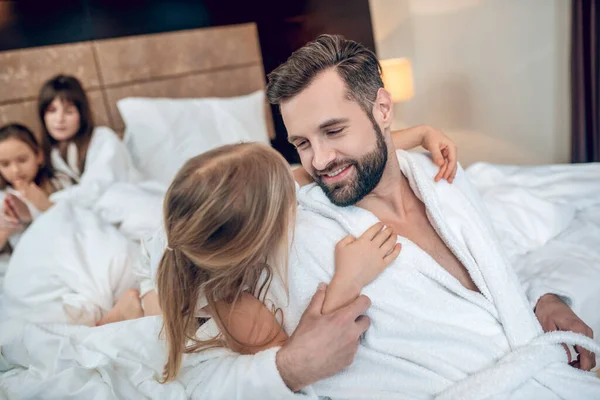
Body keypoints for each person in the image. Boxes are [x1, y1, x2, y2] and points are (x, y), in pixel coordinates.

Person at [263, 34, 599, 398]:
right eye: (302, 144)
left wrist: (543, 300)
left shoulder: (440, 177)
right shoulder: (307, 237)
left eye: (333, 131)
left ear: (383, 111)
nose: (321, 160)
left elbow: (496, 273)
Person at [38, 75, 141, 208]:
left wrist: (48, 203)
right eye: (52, 111)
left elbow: (99, 187)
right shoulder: (47, 155)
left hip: (127, 204)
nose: (59, 119)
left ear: (82, 114)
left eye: (69, 111)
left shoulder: (104, 139)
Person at [0, 123, 69, 252]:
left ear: (39, 156)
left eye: (22, 160)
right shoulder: (4, 198)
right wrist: (7, 227)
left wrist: (43, 206)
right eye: (5, 164)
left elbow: (76, 222)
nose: (15, 170)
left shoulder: (59, 183)